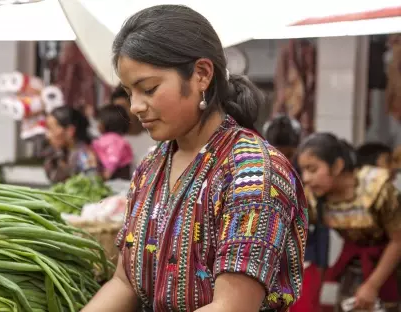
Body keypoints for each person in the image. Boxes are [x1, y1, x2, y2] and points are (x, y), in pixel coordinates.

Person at [82, 5, 308, 312]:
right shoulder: (151, 166)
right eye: (129, 91)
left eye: (148, 89)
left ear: (201, 74)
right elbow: (125, 283)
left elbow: (231, 307)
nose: (135, 106)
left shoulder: (253, 172)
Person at [297, 133, 401, 312]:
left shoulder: (378, 189)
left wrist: (372, 285)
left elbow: (398, 240)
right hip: (354, 268)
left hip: (392, 268)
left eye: (312, 169)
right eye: (303, 171)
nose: (306, 178)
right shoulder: (313, 198)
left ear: (337, 166)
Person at [44, 106, 99, 183]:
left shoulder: (85, 155)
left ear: (70, 131)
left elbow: (93, 185)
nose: (47, 135)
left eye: (51, 129)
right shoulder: (58, 154)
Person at [110, 85, 156, 169]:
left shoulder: (156, 138)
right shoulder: (113, 142)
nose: (120, 114)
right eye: (117, 110)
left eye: (123, 108)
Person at [93, 105, 133, 180]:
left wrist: (106, 174)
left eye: (99, 121)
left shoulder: (113, 140)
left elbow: (113, 159)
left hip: (116, 177)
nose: (97, 124)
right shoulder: (109, 138)